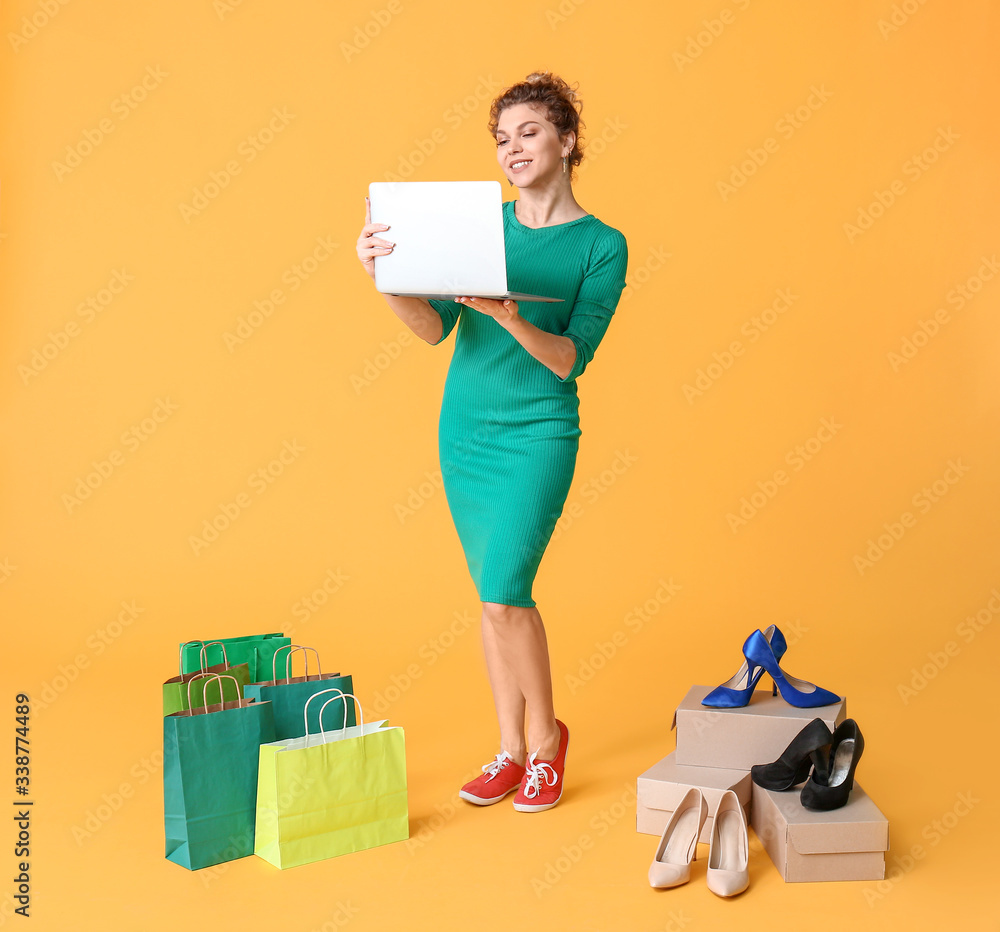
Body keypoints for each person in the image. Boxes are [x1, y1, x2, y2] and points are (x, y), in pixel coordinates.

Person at [356, 71, 628, 812]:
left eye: (530, 132)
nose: (513, 149)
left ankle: (546, 742)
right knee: (491, 596)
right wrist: (384, 277)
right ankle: (509, 748)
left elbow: (572, 357)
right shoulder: (480, 228)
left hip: (539, 429)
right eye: (502, 139)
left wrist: (508, 316)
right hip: (466, 427)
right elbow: (434, 328)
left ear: (568, 140)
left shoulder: (603, 246)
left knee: (507, 590)